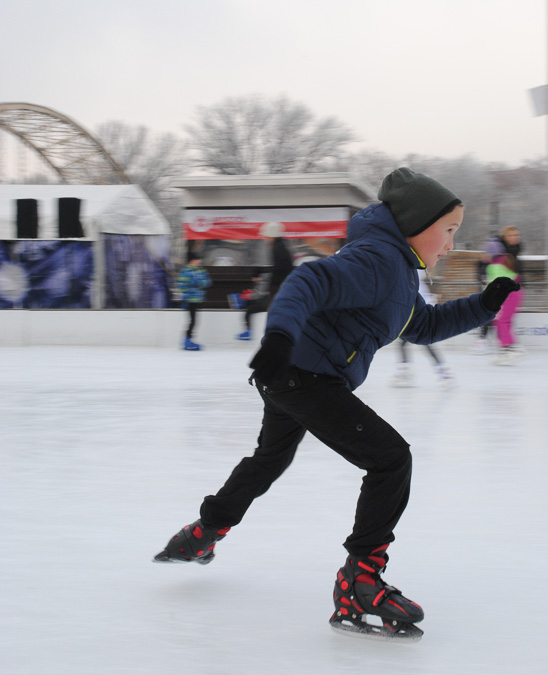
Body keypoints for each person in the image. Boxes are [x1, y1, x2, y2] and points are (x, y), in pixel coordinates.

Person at [155, 167, 519, 640]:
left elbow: (424, 326)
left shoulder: (399, 273)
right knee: (390, 459)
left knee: (269, 459)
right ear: (416, 224)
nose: (450, 244)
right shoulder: (377, 260)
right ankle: (360, 583)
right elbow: (308, 281)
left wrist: (483, 305)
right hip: (303, 375)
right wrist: (280, 337)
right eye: (447, 231)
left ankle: (203, 532)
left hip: (295, 376)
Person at [392, 271, 454, 387]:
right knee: (405, 342)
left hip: (419, 316)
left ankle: (442, 372)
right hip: (414, 315)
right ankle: (441, 371)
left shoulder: (412, 281)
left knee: (423, 343)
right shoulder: (413, 280)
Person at [235, 222, 294, 341]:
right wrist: (259, 273)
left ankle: (276, 335)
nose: (265, 238)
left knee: (272, 311)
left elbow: (277, 269)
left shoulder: (279, 249)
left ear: (271, 235)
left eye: (266, 236)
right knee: (270, 311)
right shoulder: (277, 247)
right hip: (277, 287)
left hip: (277, 288)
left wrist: (261, 276)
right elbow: (271, 267)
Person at [472, 225, 523, 354]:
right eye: (511, 235)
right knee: (499, 318)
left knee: (501, 320)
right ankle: (501, 343)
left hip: (507, 292)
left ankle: (507, 345)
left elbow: (510, 275)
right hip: (506, 291)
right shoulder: (497, 255)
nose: (514, 238)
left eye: (516, 235)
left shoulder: (506, 258)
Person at [486, 249, 525, 364]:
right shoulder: (507, 270)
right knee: (502, 322)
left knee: (501, 321)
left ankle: (511, 347)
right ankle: (506, 349)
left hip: (509, 295)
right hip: (514, 294)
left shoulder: (494, 267)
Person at [177, 252, 212, 351]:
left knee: (194, 321)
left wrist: (197, 283)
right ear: (192, 260)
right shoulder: (185, 271)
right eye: (198, 260)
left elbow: (207, 282)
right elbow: (182, 286)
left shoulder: (200, 270)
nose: (199, 262)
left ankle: (188, 340)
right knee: (192, 320)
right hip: (189, 300)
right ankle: (187, 341)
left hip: (198, 299)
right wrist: (194, 284)